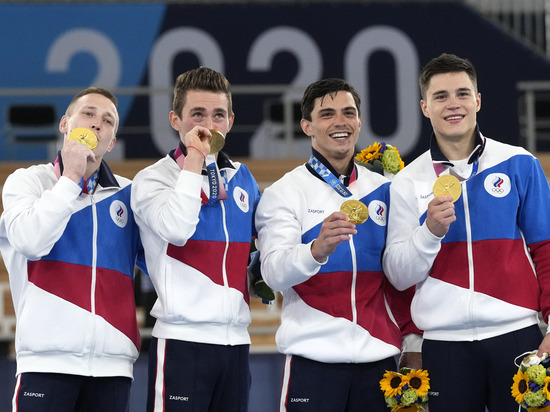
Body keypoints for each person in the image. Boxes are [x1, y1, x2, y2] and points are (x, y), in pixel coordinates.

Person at [382, 52, 550, 411]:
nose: (453, 104)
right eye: (440, 96)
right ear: (425, 107)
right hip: (445, 346)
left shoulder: (519, 163)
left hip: (516, 335)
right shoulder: (406, 182)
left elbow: (547, 249)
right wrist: (429, 233)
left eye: (462, 93)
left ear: (478, 100)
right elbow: (397, 275)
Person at [255, 78, 421, 412]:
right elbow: (272, 273)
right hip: (312, 363)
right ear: (307, 126)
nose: (339, 121)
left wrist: (413, 342)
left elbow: (403, 277)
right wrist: (315, 250)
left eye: (348, 112)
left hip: (379, 362)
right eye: (327, 114)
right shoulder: (284, 193)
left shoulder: (386, 189)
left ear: (359, 121)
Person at [0, 87, 146, 411]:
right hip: (45, 363)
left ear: (111, 142)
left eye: (107, 121)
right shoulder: (27, 182)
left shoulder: (130, 195)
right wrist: (70, 179)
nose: (96, 124)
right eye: (88, 113)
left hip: (113, 369)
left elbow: (166, 262)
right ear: (65, 124)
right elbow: (31, 241)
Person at [130, 66, 261, 412]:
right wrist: (194, 160)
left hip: (236, 343)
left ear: (230, 121)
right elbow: (176, 229)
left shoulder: (242, 179)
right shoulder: (153, 179)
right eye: (197, 114)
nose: (208, 125)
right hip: (182, 342)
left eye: (218, 115)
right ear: (175, 120)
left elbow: (261, 246)